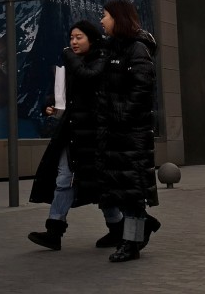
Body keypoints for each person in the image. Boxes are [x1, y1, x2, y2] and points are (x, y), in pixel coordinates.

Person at [27, 20, 123, 250]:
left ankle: (117, 228)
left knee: (96, 183)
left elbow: (88, 77)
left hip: (92, 136)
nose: (73, 42)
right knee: (66, 179)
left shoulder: (100, 59)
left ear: (91, 39)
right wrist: (50, 104)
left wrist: (69, 57)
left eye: (79, 37)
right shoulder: (77, 63)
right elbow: (69, 96)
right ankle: (55, 231)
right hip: (73, 132)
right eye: (71, 38)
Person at [98, 0, 161, 263]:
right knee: (121, 189)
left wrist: (120, 115)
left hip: (131, 133)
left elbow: (142, 90)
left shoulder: (137, 49)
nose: (102, 20)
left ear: (119, 18)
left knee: (132, 191)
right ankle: (140, 229)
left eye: (106, 15)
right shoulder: (113, 48)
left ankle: (131, 243)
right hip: (115, 131)